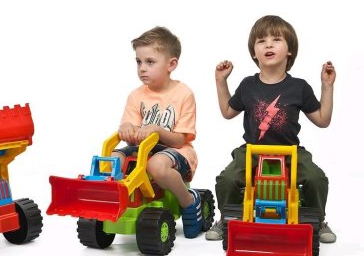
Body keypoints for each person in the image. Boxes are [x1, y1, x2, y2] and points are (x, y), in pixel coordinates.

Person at [206, 15, 336, 243]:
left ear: (289, 50)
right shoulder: (248, 85)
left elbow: (323, 120)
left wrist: (327, 86)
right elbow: (227, 112)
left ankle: (318, 220)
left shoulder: (299, 87)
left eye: (276, 39)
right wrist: (220, 81)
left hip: (290, 152)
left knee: (316, 178)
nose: (268, 44)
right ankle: (226, 218)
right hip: (252, 151)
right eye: (261, 41)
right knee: (227, 179)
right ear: (254, 53)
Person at [114, 26, 203, 238]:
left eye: (150, 62)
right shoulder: (136, 96)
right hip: (143, 150)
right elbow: (130, 132)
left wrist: (156, 130)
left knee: (156, 165)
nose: (142, 68)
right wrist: (126, 129)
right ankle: (117, 202)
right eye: (138, 62)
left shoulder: (183, 94)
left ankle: (189, 201)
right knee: (112, 159)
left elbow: (180, 139)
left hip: (177, 151)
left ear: (171, 64)